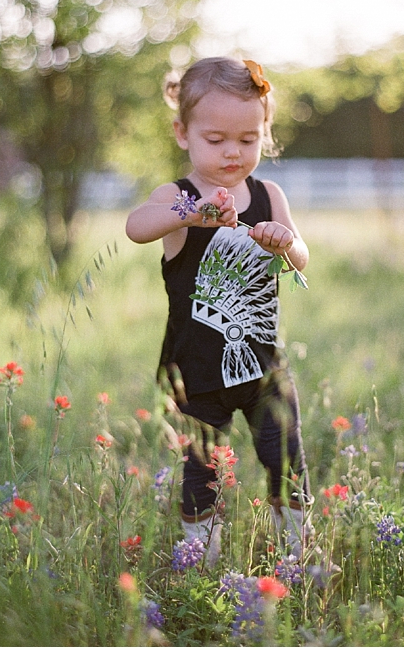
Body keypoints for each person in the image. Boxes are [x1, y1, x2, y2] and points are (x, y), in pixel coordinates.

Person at [126, 56, 311, 565]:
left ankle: (298, 553)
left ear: (264, 132)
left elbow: (301, 257)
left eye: (248, 139)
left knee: (287, 460)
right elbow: (137, 225)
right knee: (201, 470)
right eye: (216, 139)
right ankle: (200, 559)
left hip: (263, 365)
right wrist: (193, 212)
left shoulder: (269, 196)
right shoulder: (177, 198)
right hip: (196, 370)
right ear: (182, 133)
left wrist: (285, 242)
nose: (233, 151)